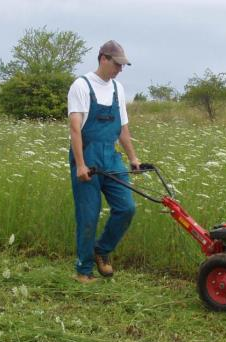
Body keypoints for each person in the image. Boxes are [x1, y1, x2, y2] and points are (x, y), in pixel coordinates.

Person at [67, 40, 140, 284]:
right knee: (88, 214)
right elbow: (75, 129)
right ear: (103, 59)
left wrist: (132, 157)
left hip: (110, 156)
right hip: (86, 156)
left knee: (127, 207)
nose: (120, 70)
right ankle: (83, 271)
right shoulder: (81, 86)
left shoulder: (118, 89)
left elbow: (122, 129)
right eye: (117, 64)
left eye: (122, 65)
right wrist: (80, 164)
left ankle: (102, 249)